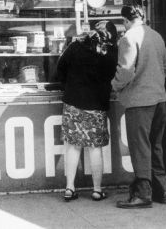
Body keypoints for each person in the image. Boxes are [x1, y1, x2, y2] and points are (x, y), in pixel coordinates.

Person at [112, 5, 166, 208]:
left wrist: (114, 85)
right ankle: (161, 190)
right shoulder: (156, 36)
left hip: (139, 103)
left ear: (126, 20)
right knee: (155, 145)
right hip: (159, 100)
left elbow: (125, 72)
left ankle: (143, 194)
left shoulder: (128, 38)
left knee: (140, 148)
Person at [57, 20, 118, 202]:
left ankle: (69, 188)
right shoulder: (111, 51)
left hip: (73, 102)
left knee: (73, 147)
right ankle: (97, 190)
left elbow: (60, 69)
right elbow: (113, 75)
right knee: (95, 148)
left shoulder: (76, 45)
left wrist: (71, 84)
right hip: (96, 104)